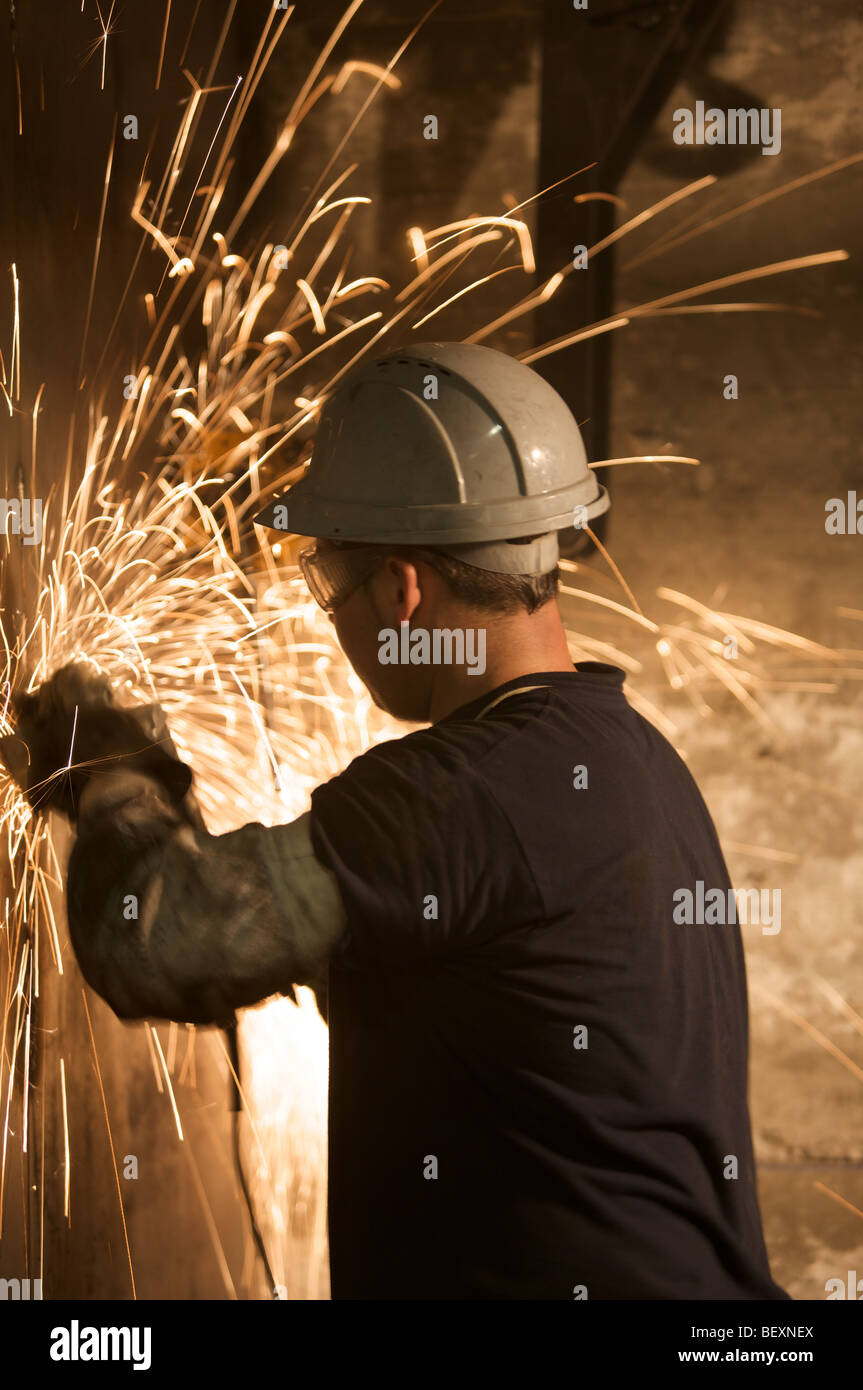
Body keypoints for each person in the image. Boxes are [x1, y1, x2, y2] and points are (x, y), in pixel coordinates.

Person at [1, 342, 789, 1300]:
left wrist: (111, 771)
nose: (333, 622)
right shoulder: (634, 761)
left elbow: (157, 936)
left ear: (402, 588)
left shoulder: (447, 792)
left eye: (332, 587)